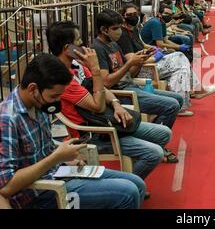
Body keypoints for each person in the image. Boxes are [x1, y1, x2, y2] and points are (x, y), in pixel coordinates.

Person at [0, 54, 146, 209]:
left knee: (137, 184)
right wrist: (56, 157)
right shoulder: (8, 118)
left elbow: (45, 150)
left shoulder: (39, 104)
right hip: (42, 192)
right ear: (33, 89)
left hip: (59, 173)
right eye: (54, 96)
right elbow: (6, 186)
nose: (57, 102)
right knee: (128, 192)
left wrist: (65, 158)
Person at [47, 20, 174, 180]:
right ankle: (129, 184)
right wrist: (95, 69)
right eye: (79, 41)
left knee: (164, 134)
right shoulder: (63, 79)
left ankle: (131, 180)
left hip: (108, 119)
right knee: (154, 153)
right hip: (94, 133)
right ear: (68, 48)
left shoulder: (77, 64)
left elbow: (102, 88)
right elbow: (98, 106)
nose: (83, 44)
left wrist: (116, 104)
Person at [92, 9, 183, 135]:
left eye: (120, 27)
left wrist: (139, 61)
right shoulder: (97, 48)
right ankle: (156, 137)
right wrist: (129, 63)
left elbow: (131, 73)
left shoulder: (113, 45)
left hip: (132, 85)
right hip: (122, 94)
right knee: (172, 106)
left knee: (178, 99)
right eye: (115, 28)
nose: (119, 31)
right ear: (103, 30)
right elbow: (106, 82)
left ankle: (155, 133)